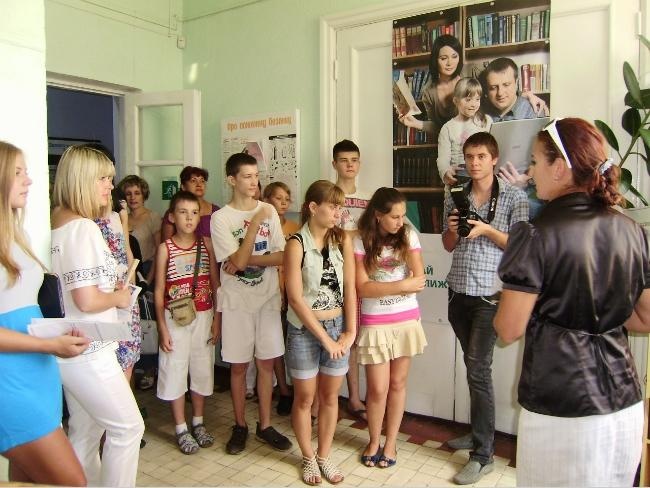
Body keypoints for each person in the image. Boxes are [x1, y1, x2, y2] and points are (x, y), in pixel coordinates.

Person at [494, 118, 650, 486]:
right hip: (624, 405)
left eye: (535, 161)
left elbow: (509, 328)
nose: (531, 171)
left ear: (560, 168)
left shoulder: (534, 234)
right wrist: (596, 309)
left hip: (562, 408)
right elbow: (645, 319)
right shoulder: (633, 231)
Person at [50, 144, 145, 487]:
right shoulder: (82, 228)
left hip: (72, 347)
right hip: (91, 350)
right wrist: (119, 296)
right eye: (104, 179)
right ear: (83, 179)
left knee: (85, 432)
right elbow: (88, 300)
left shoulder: (56, 224)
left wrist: (109, 287)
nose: (110, 187)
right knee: (128, 428)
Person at [0, 141, 89, 486]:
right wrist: (48, 345)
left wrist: (55, 337)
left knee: (29, 480)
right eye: (18, 173)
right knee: (72, 482)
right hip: (10, 380)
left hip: (38, 372)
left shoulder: (16, 234)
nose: (29, 180)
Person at [441, 132, 528, 485]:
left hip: (490, 297)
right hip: (458, 292)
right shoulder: (455, 193)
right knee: (474, 368)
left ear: (494, 159)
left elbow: (520, 246)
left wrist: (487, 231)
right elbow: (448, 245)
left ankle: (483, 455)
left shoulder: (514, 197)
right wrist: (453, 230)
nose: (474, 163)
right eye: (469, 157)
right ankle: (479, 432)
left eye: (480, 156)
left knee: (477, 370)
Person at [210, 152, 292, 455]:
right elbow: (237, 261)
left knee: (266, 363)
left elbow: (281, 256)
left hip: (267, 299)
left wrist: (244, 261)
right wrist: (255, 224)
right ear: (232, 180)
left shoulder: (269, 209)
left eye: (256, 176)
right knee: (238, 367)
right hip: (237, 303)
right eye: (247, 176)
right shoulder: (222, 218)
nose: (254, 182)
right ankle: (240, 425)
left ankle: (265, 425)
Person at [284, 180, 356, 485]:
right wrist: (325, 339)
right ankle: (308, 457)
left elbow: (350, 288)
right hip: (304, 330)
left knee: (329, 396)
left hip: (337, 327)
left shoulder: (342, 240)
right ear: (313, 208)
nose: (339, 213)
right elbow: (295, 299)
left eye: (341, 207)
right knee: (304, 398)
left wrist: (350, 331)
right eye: (333, 206)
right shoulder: (295, 244)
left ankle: (324, 455)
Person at [355, 187, 427, 469]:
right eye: (394, 216)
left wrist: (391, 286)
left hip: (406, 319)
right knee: (377, 388)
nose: (400, 222)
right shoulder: (361, 239)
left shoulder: (408, 235)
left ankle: (391, 442)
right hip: (375, 322)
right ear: (378, 215)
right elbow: (363, 288)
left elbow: (419, 280)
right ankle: (374, 440)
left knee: (397, 384)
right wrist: (403, 284)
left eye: (402, 216)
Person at [154, 190, 220, 455]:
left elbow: (215, 283)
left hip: (204, 315)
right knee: (175, 369)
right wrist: (162, 327)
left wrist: (217, 320)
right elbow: (159, 290)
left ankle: (198, 422)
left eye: (194, 213)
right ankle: (181, 427)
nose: (189, 218)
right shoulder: (165, 248)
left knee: (201, 368)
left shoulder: (207, 244)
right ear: (172, 216)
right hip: (175, 318)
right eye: (183, 212)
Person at [332, 139, 370, 421]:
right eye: (344, 160)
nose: (349, 165)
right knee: (332, 336)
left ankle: (354, 398)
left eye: (354, 160)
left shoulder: (369, 199)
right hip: (332, 276)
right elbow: (324, 234)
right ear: (334, 164)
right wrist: (354, 233)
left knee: (354, 339)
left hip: (362, 276)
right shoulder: (327, 196)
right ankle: (327, 399)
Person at [263, 181, 299, 415]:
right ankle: (283, 390)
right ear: (266, 200)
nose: (284, 203)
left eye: (287, 198)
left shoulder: (295, 227)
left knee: (293, 343)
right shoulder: (261, 228)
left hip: (292, 292)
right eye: (278, 198)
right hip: (270, 293)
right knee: (275, 345)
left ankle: (298, 388)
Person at [437, 77, 493, 186]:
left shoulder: (486, 121)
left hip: (482, 179)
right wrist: (446, 171)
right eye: (468, 99)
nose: (473, 104)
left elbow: (493, 151)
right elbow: (442, 159)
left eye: (477, 99)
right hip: (458, 179)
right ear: (456, 101)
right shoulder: (447, 128)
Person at [118, 175, 161, 284]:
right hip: (126, 270)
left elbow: (159, 252)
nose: (133, 197)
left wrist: (148, 280)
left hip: (148, 270)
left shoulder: (153, 217)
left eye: (137, 193)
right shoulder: (121, 218)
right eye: (128, 194)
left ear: (143, 195)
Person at [480, 57, 548, 123]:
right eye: (493, 87)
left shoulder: (534, 112)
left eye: (506, 85)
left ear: (517, 83)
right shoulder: (478, 111)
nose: (500, 93)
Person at [161, 166, 219, 241]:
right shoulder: (174, 211)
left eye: (202, 181)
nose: (199, 184)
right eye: (193, 181)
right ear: (183, 187)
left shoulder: (216, 211)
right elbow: (167, 243)